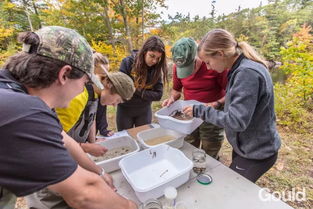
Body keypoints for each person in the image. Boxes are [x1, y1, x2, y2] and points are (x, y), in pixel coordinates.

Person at [0, 26, 137, 209]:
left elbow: (62, 138)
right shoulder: (23, 112)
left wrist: (99, 171)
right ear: (64, 74)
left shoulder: (13, 92)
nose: (83, 90)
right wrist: (130, 206)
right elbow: (84, 195)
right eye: (85, 82)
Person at [183, 29, 281, 183]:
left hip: (257, 152)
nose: (208, 68)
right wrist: (219, 103)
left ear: (220, 54)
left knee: (233, 188)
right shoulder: (243, 67)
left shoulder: (246, 73)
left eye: (208, 62)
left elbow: (236, 121)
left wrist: (200, 110)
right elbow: (239, 99)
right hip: (246, 146)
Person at [55, 52, 135, 157]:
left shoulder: (95, 95)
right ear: (109, 85)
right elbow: (55, 139)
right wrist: (87, 147)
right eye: (118, 100)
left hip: (76, 148)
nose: (115, 105)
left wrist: (93, 142)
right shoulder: (78, 99)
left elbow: (91, 119)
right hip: (62, 153)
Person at [162, 37, 227, 159]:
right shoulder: (177, 67)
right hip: (189, 112)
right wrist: (172, 98)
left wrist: (216, 103)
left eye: (190, 66)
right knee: (189, 143)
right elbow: (176, 90)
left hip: (212, 113)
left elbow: (231, 93)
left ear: (198, 55)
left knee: (210, 146)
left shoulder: (214, 65)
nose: (189, 72)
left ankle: (209, 170)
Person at [116, 36, 168, 131]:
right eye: (152, 56)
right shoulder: (127, 63)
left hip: (144, 111)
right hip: (125, 109)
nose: (154, 61)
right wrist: (145, 93)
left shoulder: (156, 69)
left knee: (143, 139)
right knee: (125, 139)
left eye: (157, 58)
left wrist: (135, 90)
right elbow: (122, 88)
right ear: (144, 51)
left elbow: (158, 95)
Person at [93, 53, 114, 137]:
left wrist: (103, 129)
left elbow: (101, 111)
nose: (104, 81)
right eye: (102, 77)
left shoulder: (100, 91)